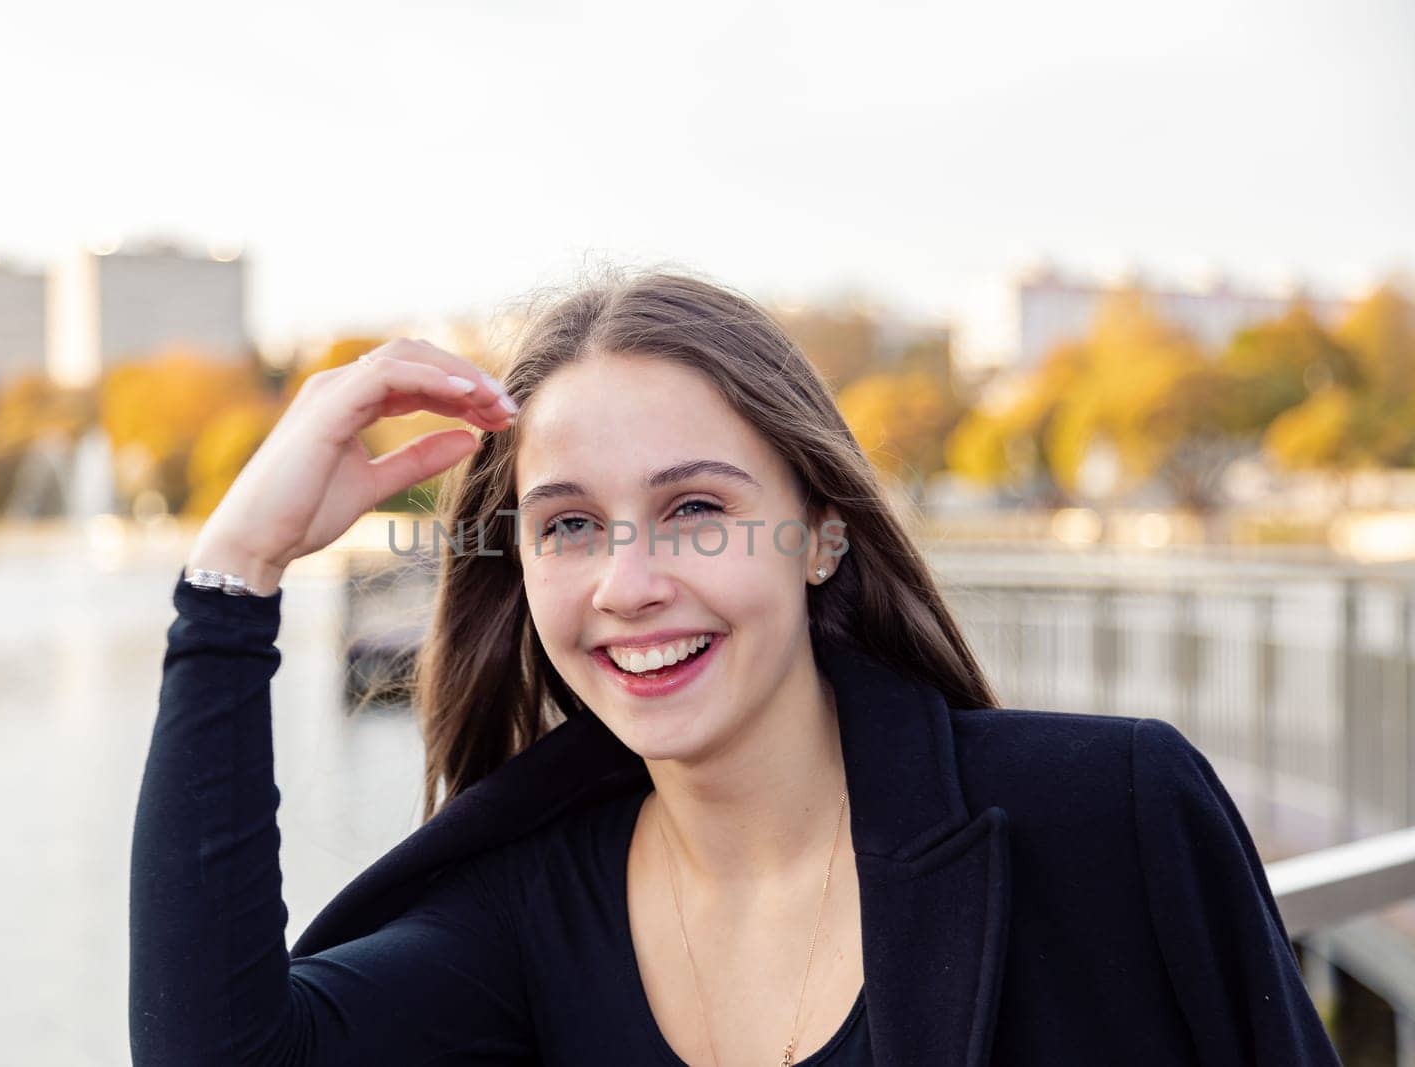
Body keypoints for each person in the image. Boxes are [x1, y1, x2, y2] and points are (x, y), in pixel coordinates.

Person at [129, 268, 1341, 1066]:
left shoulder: (1110, 812)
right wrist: (235, 571)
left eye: (695, 508)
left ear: (820, 531)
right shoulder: (520, 918)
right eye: (567, 524)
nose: (627, 580)